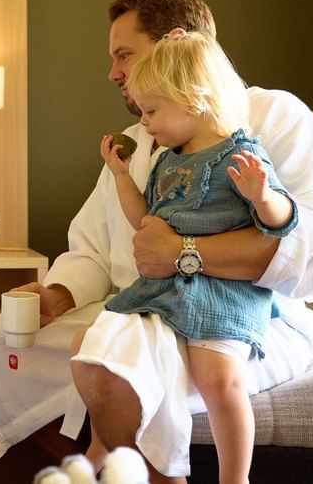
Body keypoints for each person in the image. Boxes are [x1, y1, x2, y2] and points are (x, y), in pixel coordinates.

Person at [0, 0, 313, 482]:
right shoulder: (140, 139)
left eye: (124, 55)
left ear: (175, 42)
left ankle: (144, 469)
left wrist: (185, 253)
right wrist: (60, 293)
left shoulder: (271, 118)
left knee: (129, 369)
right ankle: (102, 466)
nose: (114, 73)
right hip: (149, 302)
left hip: (242, 312)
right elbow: (92, 246)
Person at [96, 31, 298, 484]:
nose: (145, 124)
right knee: (119, 352)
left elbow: (282, 222)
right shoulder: (168, 162)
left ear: (192, 100)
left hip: (224, 291)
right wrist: (123, 177)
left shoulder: (241, 153)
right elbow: (145, 221)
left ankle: (235, 477)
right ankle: (134, 461)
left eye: (152, 111)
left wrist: (263, 196)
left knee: (218, 377)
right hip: (168, 290)